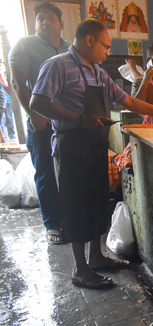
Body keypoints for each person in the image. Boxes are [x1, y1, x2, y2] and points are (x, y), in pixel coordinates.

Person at [29, 19, 153, 290]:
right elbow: (37, 102)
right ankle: (80, 269)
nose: (108, 53)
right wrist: (79, 119)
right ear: (90, 40)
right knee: (77, 206)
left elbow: (129, 101)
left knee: (98, 201)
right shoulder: (58, 65)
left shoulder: (98, 73)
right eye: (106, 46)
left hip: (95, 145)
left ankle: (97, 258)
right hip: (71, 145)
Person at [9, 2, 70, 244]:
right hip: (42, 121)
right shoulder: (25, 45)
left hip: (68, 122)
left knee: (68, 173)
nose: (45, 22)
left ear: (61, 23)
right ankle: (53, 224)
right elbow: (17, 84)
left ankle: (71, 218)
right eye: (40, 19)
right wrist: (34, 114)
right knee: (45, 172)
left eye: (50, 18)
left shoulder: (69, 48)